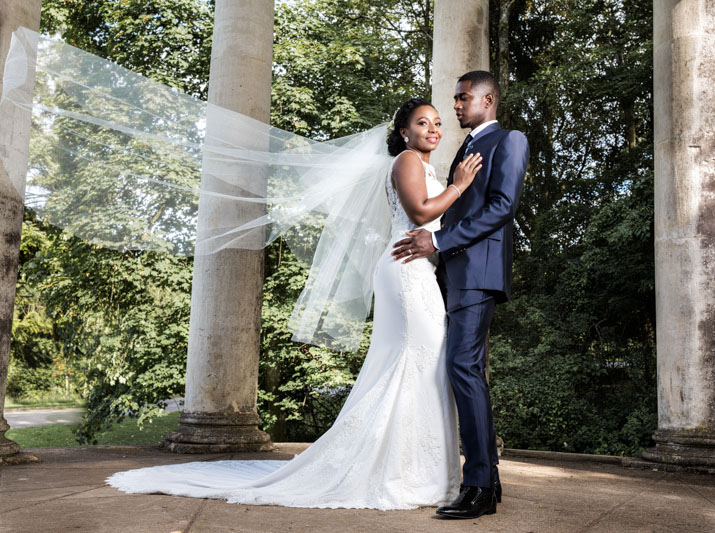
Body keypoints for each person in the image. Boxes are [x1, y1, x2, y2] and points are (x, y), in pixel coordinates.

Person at [106, 98, 485, 511]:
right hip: (406, 271)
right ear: (404, 132)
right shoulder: (407, 161)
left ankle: (418, 470)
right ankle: (400, 473)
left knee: (424, 364)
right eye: (422, 123)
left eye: (437, 123)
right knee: (419, 361)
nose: (433, 129)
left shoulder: (425, 167)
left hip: (419, 269)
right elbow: (421, 212)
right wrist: (460, 186)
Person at [392, 70, 530, 519]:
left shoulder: (509, 141)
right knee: (463, 369)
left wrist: (438, 242)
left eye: (462, 98)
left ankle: (480, 487)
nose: (455, 106)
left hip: (478, 273)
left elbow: (502, 207)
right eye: (455, 98)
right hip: (453, 274)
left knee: (463, 368)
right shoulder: (464, 149)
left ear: (487, 100)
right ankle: (488, 481)